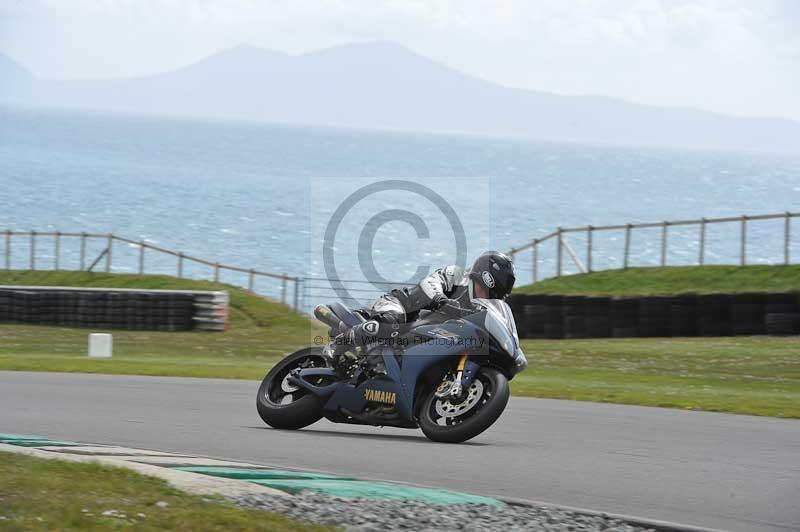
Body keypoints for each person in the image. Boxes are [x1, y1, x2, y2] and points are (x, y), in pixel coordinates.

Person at [335, 251, 516, 352]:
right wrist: (440, 300)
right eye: (484, 290)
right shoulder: (458, 275)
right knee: (393, 322)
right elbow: (430, 283)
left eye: (491, 296)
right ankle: (340, 344)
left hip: (425, 332)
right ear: (476, 277)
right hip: (401, 306)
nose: (484, 297)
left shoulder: (480, 310)